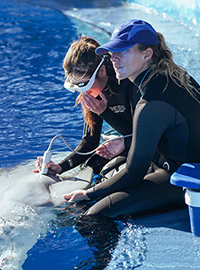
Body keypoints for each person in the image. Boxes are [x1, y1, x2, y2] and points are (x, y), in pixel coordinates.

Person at [63, 19, 200, 217]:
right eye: (113, 52)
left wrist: (88, 193)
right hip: (170, 161)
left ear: (147, 54)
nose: (114, 58)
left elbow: (134, 172)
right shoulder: (164, 76)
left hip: (185, 177)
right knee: (107, 173)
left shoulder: (150, 101)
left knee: (94, 215)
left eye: (123, 51)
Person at [35, 35, 140, 176]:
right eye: (76, 86)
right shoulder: (91, 92)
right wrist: (61, 167)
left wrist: (104, 112)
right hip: (127, 138)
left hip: (149, 140)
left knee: (110, 171)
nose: (83, 91)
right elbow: (90, 141)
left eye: (85, 84)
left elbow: (145, 134)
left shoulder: (128, 84)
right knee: (90, 167)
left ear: (102, 71)